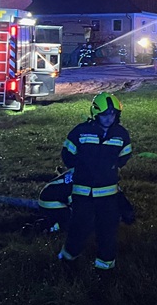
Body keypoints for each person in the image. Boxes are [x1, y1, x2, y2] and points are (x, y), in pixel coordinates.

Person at [57, 92, 133, 270]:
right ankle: (68, 260)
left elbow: (124, 156)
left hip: (108, 193)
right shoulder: (80, 131)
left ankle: (105, 266)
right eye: (105, 115)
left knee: (107, 229)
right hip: (83, 192)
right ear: (96, 114)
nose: (109, 118)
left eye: (112, 115)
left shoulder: (121, 134)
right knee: (79, 227)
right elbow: (67, 155)